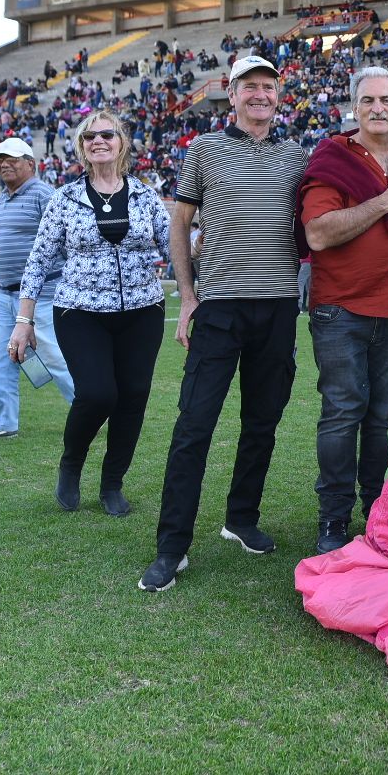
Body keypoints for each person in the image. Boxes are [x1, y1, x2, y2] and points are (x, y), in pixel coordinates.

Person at [143, 55, 308, 591]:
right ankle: (173, 547)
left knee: (262, 421)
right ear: (232, 95)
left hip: (279, 305)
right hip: (219, 306)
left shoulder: (296, 157)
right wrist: (186, 296)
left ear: (278, 96)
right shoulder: (205, 150)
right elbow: (181, 223)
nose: (259, 94)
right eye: (249, 87)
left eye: (268, 86)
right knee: (194, 426)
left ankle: (241, 518)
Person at [299, 68, 388, 553]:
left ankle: (378, 506)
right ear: (353, 107)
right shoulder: (334, 156)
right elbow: (318, 232)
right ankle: (333, 518)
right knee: (342, 414)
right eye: (367, 100)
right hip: (343, 309)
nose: (377, 107)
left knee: (384, 417)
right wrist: (383, 202)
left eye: (386, 100)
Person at [12, 111, 169, 518]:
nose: (99, 141)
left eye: (108, 134)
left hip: (142, 309)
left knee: (133, 398)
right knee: (99, 393)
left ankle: (112, 483)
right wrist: (23, 320)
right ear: (82, 147)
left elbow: (176, 249)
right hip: (79, 310)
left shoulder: (146, 195)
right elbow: (39, 259)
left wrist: (208, 245)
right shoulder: (64, 198)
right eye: (90, 136)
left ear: (122, 142)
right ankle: (71, 463)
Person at [0, 138, 74, 441]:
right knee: (1, 359)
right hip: (4, 294)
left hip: (43, 294)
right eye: (0, 159)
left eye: (12, 159)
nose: (4, 164)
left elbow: (65, 241)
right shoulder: (2, 198)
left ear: (31, 163)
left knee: (55, 358)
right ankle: (2, 422)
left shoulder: (44, 194)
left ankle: (87, 411)